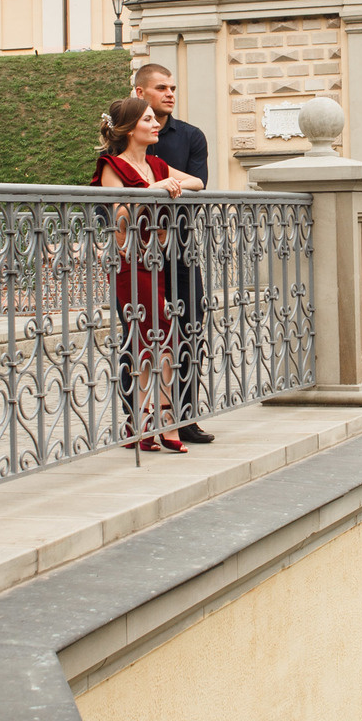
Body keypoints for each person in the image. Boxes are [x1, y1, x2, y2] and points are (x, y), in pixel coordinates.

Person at [94, 95, 201, 452]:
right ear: (128, 129)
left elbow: (198, 183)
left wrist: (169, 183)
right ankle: (154, 419)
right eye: (148, 120)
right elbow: (119, 214)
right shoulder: (112, 165)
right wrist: (153, 190)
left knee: (158, 337)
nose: (156, 124)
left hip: (157, 259)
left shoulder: (156, 164)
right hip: (129, 259)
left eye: (155, 119)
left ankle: (149, 420)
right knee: (152, 335)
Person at [133, 64, 215, 443]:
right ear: (139, 92)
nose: (169, 93)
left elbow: (199, 186)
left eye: (172, 87)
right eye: (160, 87)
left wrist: (159, 173)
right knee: (139, 334)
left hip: (180, 247)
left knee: (190, 329)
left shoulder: (191, 136)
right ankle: (138, 422)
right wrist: (159, 181)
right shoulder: (125, 135)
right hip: (139, 249)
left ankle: (185, 417)